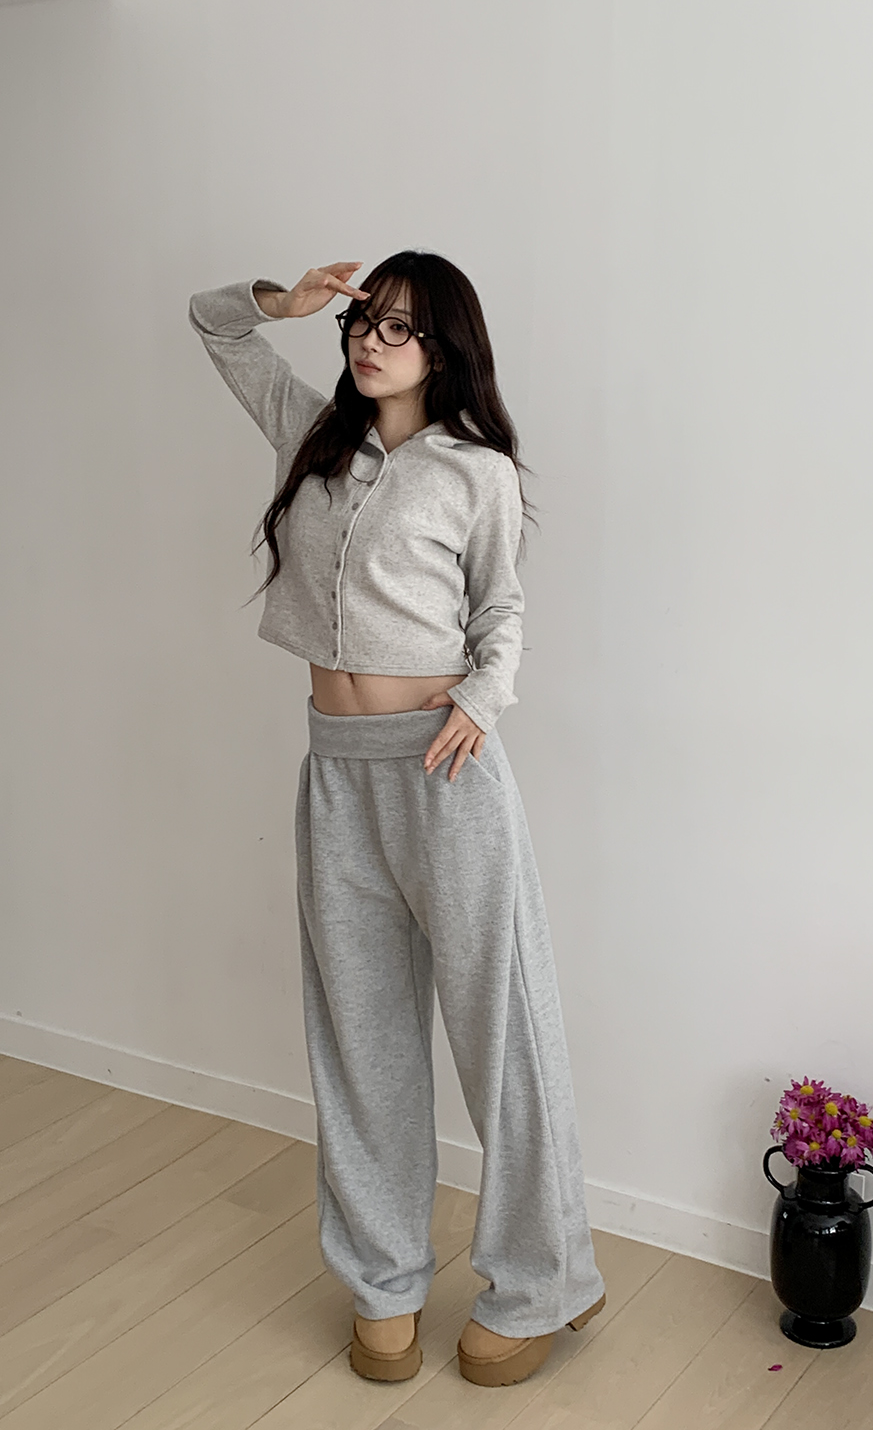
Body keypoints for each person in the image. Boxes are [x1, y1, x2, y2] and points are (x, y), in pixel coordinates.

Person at [188, 254, 606, 1388]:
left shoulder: (476, 471)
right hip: (337, 773)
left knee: (501, 1033)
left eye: (401, 328)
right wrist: (284, 303)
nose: (372, 341)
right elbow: (212, 326)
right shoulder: (312, 436)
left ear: (446, 346)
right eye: (366, 320)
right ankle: (383, 1277)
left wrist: (481, 699)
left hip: (445, 768)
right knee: (361, 1039)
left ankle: (540, 1280)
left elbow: (500, 608)